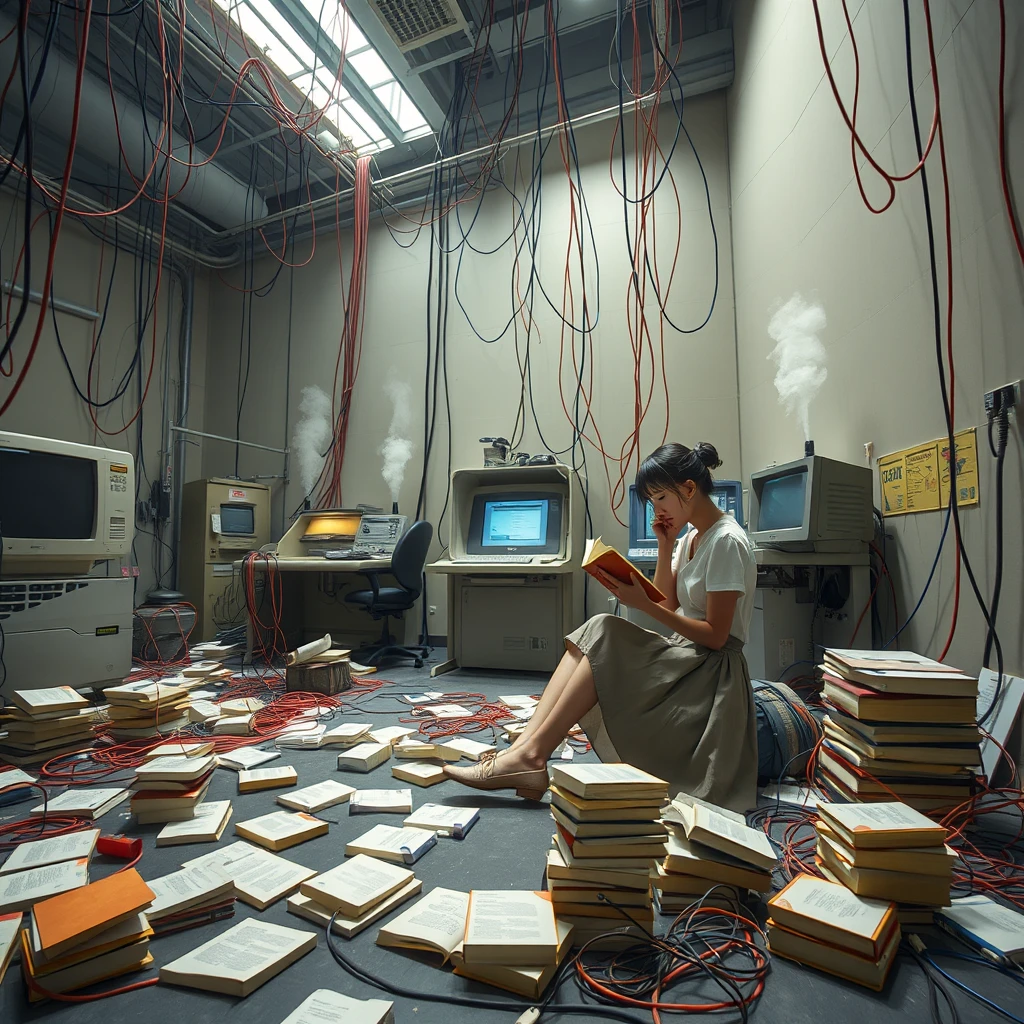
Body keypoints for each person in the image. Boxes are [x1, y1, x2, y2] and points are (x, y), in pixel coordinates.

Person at [444, 442, 758, 812]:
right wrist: (664, 545)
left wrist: (640, 603)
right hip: (688, 656)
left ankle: (528, 758)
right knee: (598, 628)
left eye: (661, 499)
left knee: (605, 630)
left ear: (689, 489)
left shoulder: (726, 541)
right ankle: (523, 753)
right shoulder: (691, 537)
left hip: (711, 672)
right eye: (652, 502)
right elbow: (668, 602)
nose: (657, 511)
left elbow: (716, 636)